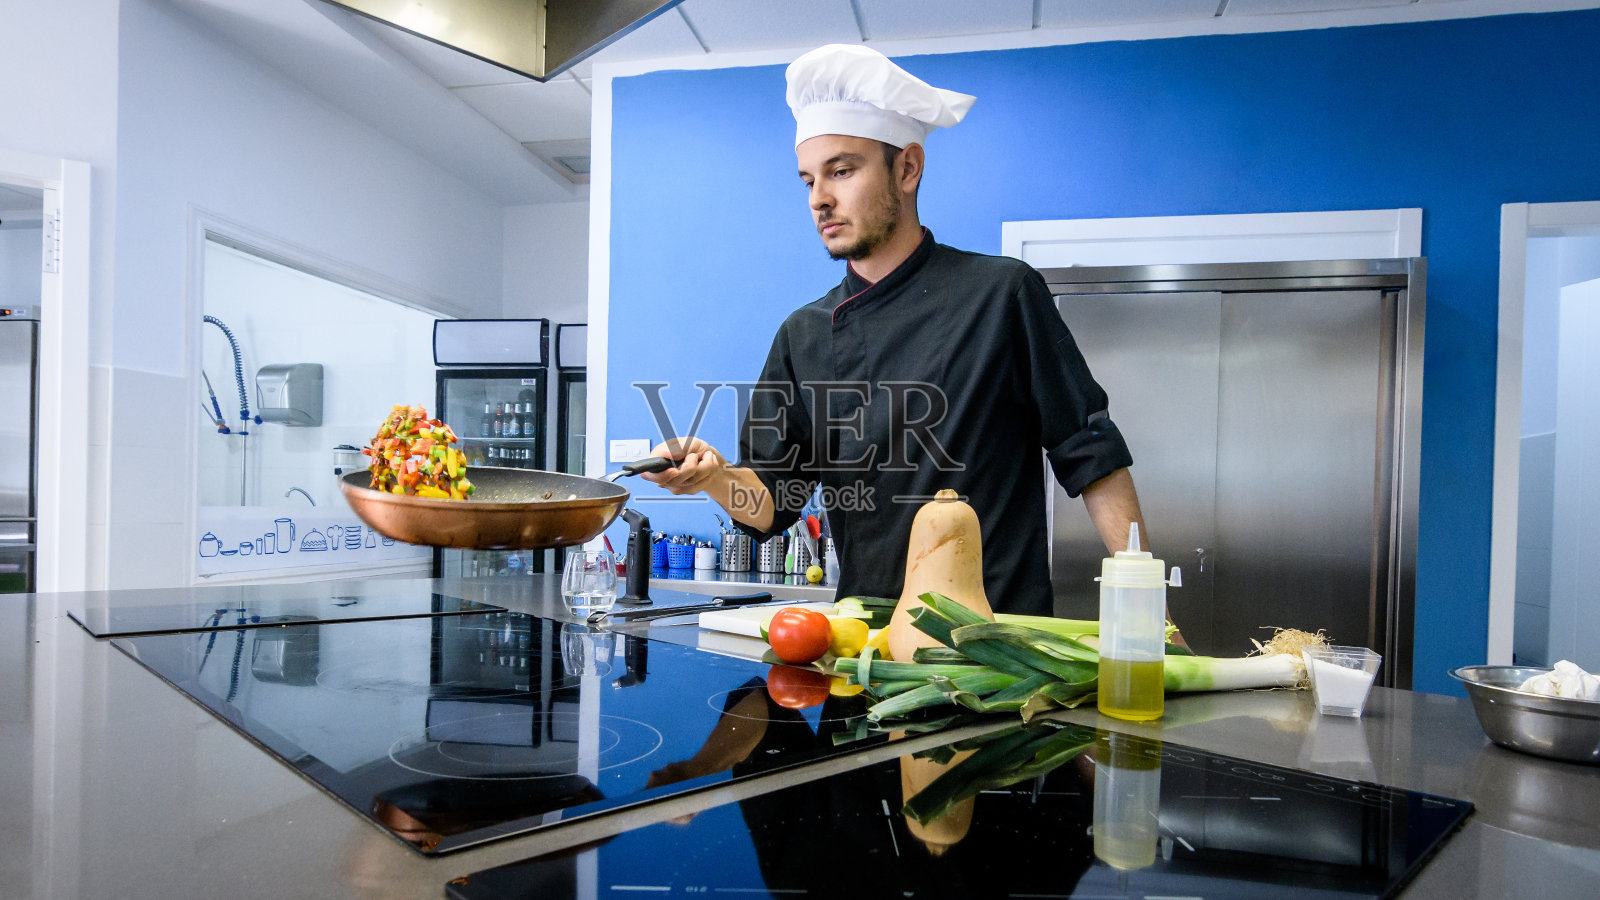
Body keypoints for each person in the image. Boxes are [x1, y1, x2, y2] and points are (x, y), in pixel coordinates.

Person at [644, 44, 1161, 625]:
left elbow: (1090, 453)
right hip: (866, 648)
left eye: (842, 171)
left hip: (996, 646)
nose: (819, 199)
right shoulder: (802, 335)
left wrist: (1148, 613)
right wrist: (715, 478)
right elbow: (771, 506)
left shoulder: (1001, 295)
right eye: (809, 179)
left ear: (908, 168)